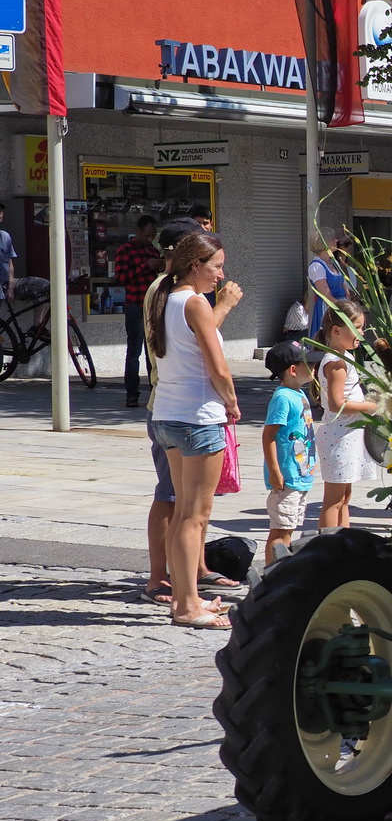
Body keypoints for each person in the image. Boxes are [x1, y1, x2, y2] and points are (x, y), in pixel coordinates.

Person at [139, 219, 241, 609]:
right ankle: (187, 603)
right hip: (197, 416)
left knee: (184, 511)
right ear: (195, 264)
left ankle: (187, 598)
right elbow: (218, 367)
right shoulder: (195, 302)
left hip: (167, 412)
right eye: (216, 266)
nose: (221, 274)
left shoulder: (164, 296)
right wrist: (231, 402)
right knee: (194, 515)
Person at [314, 299, 379, 528]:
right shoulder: (336, 363)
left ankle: (344, 540)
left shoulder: (345, 357)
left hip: (347, 435)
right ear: (336, 330)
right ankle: (329, 544)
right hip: (339, 437)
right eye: (357, 328)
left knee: (344, 497)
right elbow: (336, 403)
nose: (361, 333)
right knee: (333, 500)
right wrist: (370, 407)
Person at [260, 340, 318, 566]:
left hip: (300, 476)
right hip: (286, 479)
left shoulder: (299, 394)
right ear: (293, 369)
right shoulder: (283, 398)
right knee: (280, 531)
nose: (313, 367)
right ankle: (271, 575)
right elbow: (269, 436)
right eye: (308, 364)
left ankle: (280, 571)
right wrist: (274, 470)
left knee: (288, 528)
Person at [114, 215, 162, 407]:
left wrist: (160, 267)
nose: (150, 239)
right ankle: (132, 393)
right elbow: (121, 278)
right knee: (134, 351)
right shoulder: (125, 250)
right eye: (147, 235)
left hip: (152, 305)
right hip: (135, 304)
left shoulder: (153, 250)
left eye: (153, 236)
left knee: (154, 351)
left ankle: (155, 392)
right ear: (138, 231)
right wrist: (145, 266)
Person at [307, 233, 355, 337]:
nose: (336, 241)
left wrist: (348, 303)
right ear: (324, 242)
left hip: (342, 305)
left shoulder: (333, 262)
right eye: (333, 238)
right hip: (329, 307)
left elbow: (343, 285)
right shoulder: (317, 266)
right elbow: (326, 294)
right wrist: (342, 307)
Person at [0, 202, 14, 298]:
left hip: (3, 288)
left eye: (0, 212)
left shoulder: (5, 236)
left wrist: (11, 288)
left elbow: (10, 263)